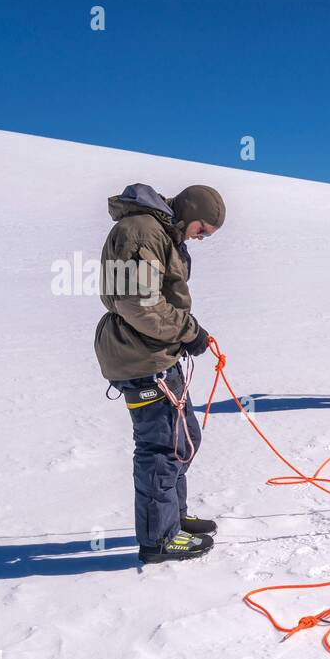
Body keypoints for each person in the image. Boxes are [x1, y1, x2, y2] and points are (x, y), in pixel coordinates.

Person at [94, 183, 225, 564]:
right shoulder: (140, 231)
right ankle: (158, 539)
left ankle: (173, 518)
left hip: (157, 353)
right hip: (140, 357)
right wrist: (189, 331)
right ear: (189, 213)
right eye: (201, 230)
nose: (199, 239)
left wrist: (184, 334)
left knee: (182, 439)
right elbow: (137, 304)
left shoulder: (158, 232)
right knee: (161, 448)